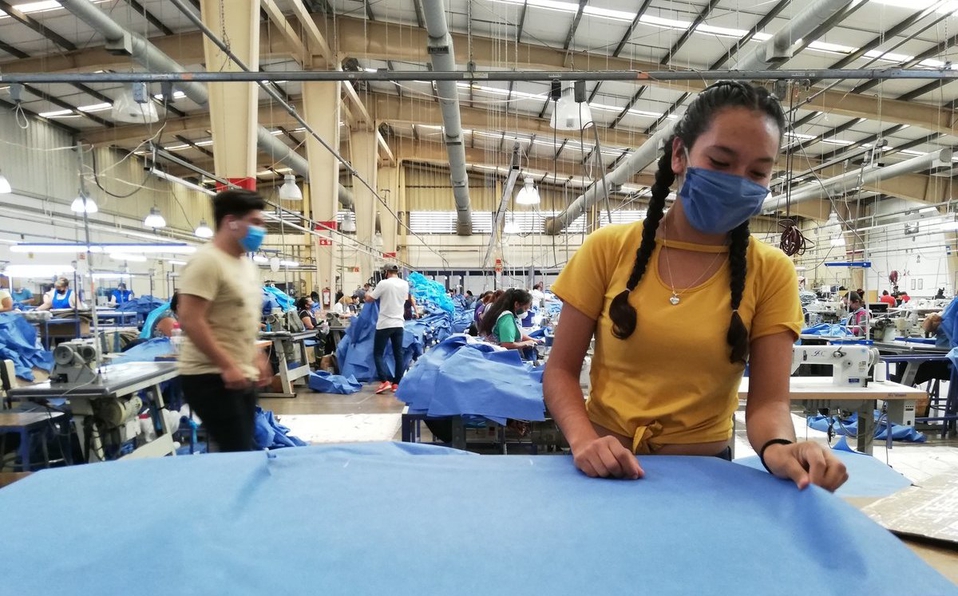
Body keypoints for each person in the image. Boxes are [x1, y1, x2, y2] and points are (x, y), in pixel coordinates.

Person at [543, 81, 847, 491]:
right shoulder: (608, 249)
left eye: (758, 172)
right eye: (721, 162)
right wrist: (584, 441)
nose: (738, 182)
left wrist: (780, 447)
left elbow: (769, 402)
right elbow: (560, 372)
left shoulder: (771, 271)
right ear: (679, 155)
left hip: (707, 479)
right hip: (604, 469)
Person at [177, 189, 272, 452]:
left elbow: (239, 319)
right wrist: (227, 365)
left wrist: (254, 355)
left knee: (242, 448)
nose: (261, 230)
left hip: (240, 372)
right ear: (231, 222)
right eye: (255, 222)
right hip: (210, 376)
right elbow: (190, 319)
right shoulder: (207, 261)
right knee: (237, 450)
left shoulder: (245, 265)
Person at [365, 264, 409, 394]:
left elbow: (370, 299)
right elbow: (405, 299)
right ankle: (396, 384)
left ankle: (384, 381)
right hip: (399, 323)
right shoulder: (404, 284)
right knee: (398, 354)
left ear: (386, 272)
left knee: (378, 353)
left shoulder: (383, 283)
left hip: (385, 324)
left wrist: (367, 292)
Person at [478, 288, 540, 361]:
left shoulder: (502, 313)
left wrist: (533, 340)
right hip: (503, 358)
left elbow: (516, 333)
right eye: (525, 308)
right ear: (516, 304)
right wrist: (527, 343)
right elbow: (507, 344)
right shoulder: (507, 317)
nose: (526, 312)